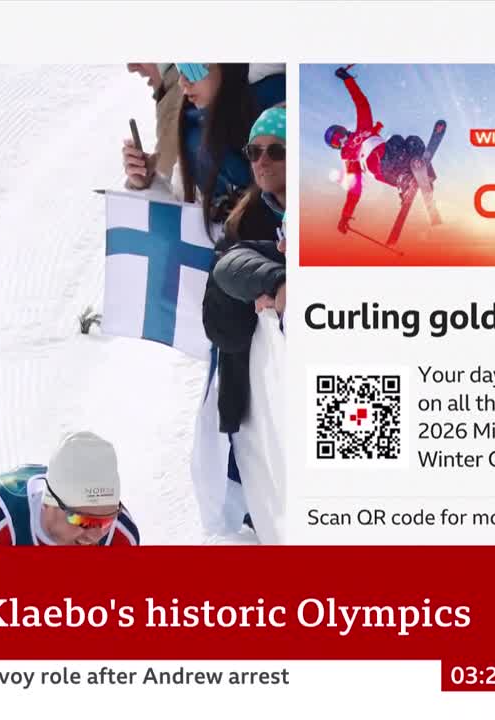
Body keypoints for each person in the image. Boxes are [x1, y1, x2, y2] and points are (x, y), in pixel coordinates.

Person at [192, 107, 287, 544]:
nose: (263, 161)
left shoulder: (336, 216)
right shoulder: (244, 222)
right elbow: (219, 319)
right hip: (256, 401)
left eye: (277, 151)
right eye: (255, 151)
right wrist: (271, 282)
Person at [122, 63, 284, 236]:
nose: (182, 82)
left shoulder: (285, 114)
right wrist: (146, 183)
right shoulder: (195, 133)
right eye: (180, 67)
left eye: (193, 67)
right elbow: (184, 227)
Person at [0, 432, 140, 546]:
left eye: (106, 520)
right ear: (50, 502)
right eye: (83, 521)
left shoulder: (120, 534)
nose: (96, 536)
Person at [324, 65, 435, 234]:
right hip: (383, 169)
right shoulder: (351, 160)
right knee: (392, 146)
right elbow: (354, 192)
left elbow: (361, 103)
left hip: (393, 153)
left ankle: (422, 171)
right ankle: (403, 180)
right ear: (336, 147)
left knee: (409, 140)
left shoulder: (363, 127)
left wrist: (348, 80)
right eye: (336, 142)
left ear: (343, 130)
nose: (341, 140)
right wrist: (345, 216)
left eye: (339, 135)